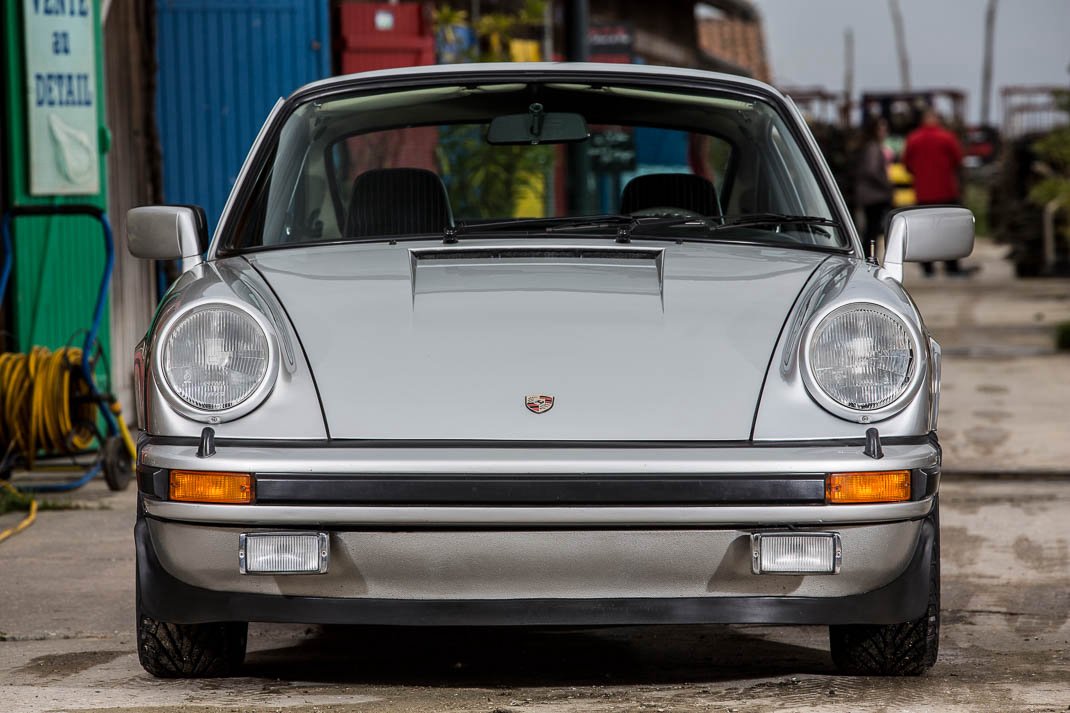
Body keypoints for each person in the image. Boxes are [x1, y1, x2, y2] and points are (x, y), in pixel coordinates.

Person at [902, 109, 967, 276]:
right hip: (946, 191)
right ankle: (951, 266)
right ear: (936, 119)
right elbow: (958, 160)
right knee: (949, 231)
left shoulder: (913, 138)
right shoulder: (947, 137)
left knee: (925, 231)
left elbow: (907, 164)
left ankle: (927, 267)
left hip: (923, 193)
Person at [854, 118, 893, 260]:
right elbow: (872, 170)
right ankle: (870, 258)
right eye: (881, 129)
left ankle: (869, 257)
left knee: (871, 231)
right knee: (872, 232)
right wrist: (886, 184)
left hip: (870, 194)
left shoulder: (868, 146)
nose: (884, 132)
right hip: (874, 196)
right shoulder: (873, 148)